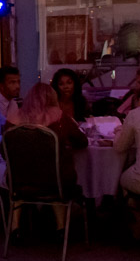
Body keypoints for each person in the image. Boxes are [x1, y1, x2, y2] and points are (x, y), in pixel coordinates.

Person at [11, 82, 88, 229]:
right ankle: (61, 229)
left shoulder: (13, 118)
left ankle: (15, 229)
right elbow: (82, 141)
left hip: (20, 181)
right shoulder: (60, 117)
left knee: (26, 178)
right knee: (56, 176)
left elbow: (4, 150)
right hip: (55, 181)